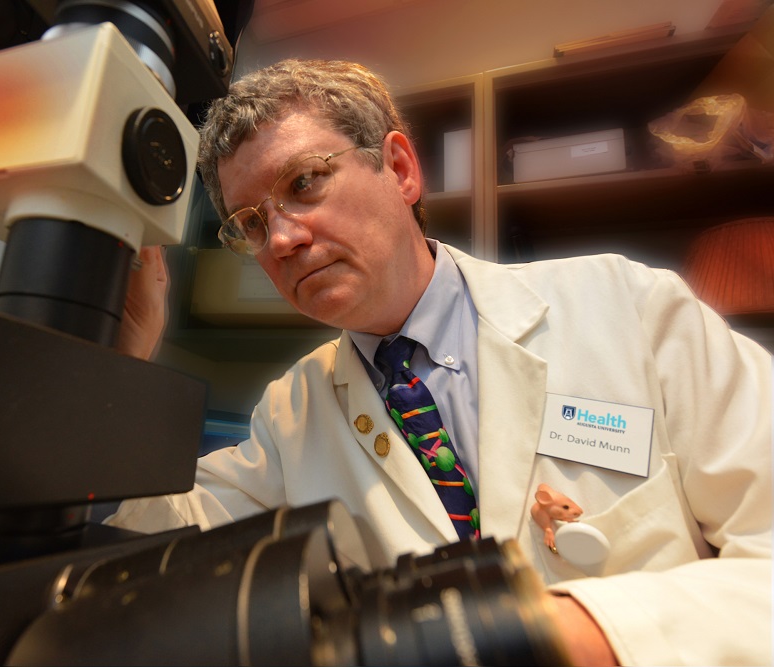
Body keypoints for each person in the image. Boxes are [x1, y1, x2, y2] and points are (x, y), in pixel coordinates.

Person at [111, 59, 773, 666]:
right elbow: (166, 542)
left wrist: (575, 633)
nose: (281, 238)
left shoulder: (630, 308)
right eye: (252, 223)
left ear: (399, 168)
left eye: (303, 182)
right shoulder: (293, 408)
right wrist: (120, 367)